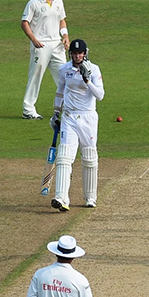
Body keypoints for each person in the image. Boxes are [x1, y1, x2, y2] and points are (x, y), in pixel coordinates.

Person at [50, 39, 105, 211]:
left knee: (89, 157)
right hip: (69, 117)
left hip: (88, 118)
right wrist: (56, 113)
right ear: (70, 54)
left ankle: (90, 197)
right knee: (64, 156)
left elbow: (100, 95)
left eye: (80, 53)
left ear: (85, 53)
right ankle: (61, 198)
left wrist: (87, 80)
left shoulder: (94, 69)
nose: (77, 56)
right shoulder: (64, 69)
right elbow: (60, 91)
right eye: (74, 53)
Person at [21, 0, 70, 120]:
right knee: (35, 76)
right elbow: (24, 23)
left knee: (65, 76)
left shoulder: (59, 2)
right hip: (41, 45)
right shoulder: (33, 3)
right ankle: (28, 109)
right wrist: (33, 39)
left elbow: (62, 20)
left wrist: (65, 35)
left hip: (57, 45)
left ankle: (69, 106)